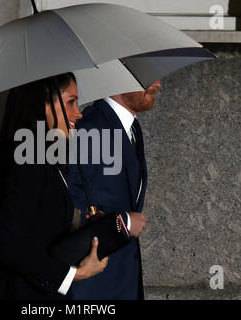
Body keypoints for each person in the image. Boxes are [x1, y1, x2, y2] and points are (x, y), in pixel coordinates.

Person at [0, 73, 109, 300]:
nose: (79, 112)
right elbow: (7, 244)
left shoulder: (43, 157)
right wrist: (73, 275)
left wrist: (82, 231)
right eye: (71, 102)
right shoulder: (26, 160)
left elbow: (38, 230)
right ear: (42, 104)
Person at [66, 81, 162, 300]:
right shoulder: (89, 128)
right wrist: (124, 223)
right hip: (93, 287)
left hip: (123, 280)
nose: (157, 83)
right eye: (146, 76)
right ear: (119, 76)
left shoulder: (131, 127)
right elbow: (70, 205)